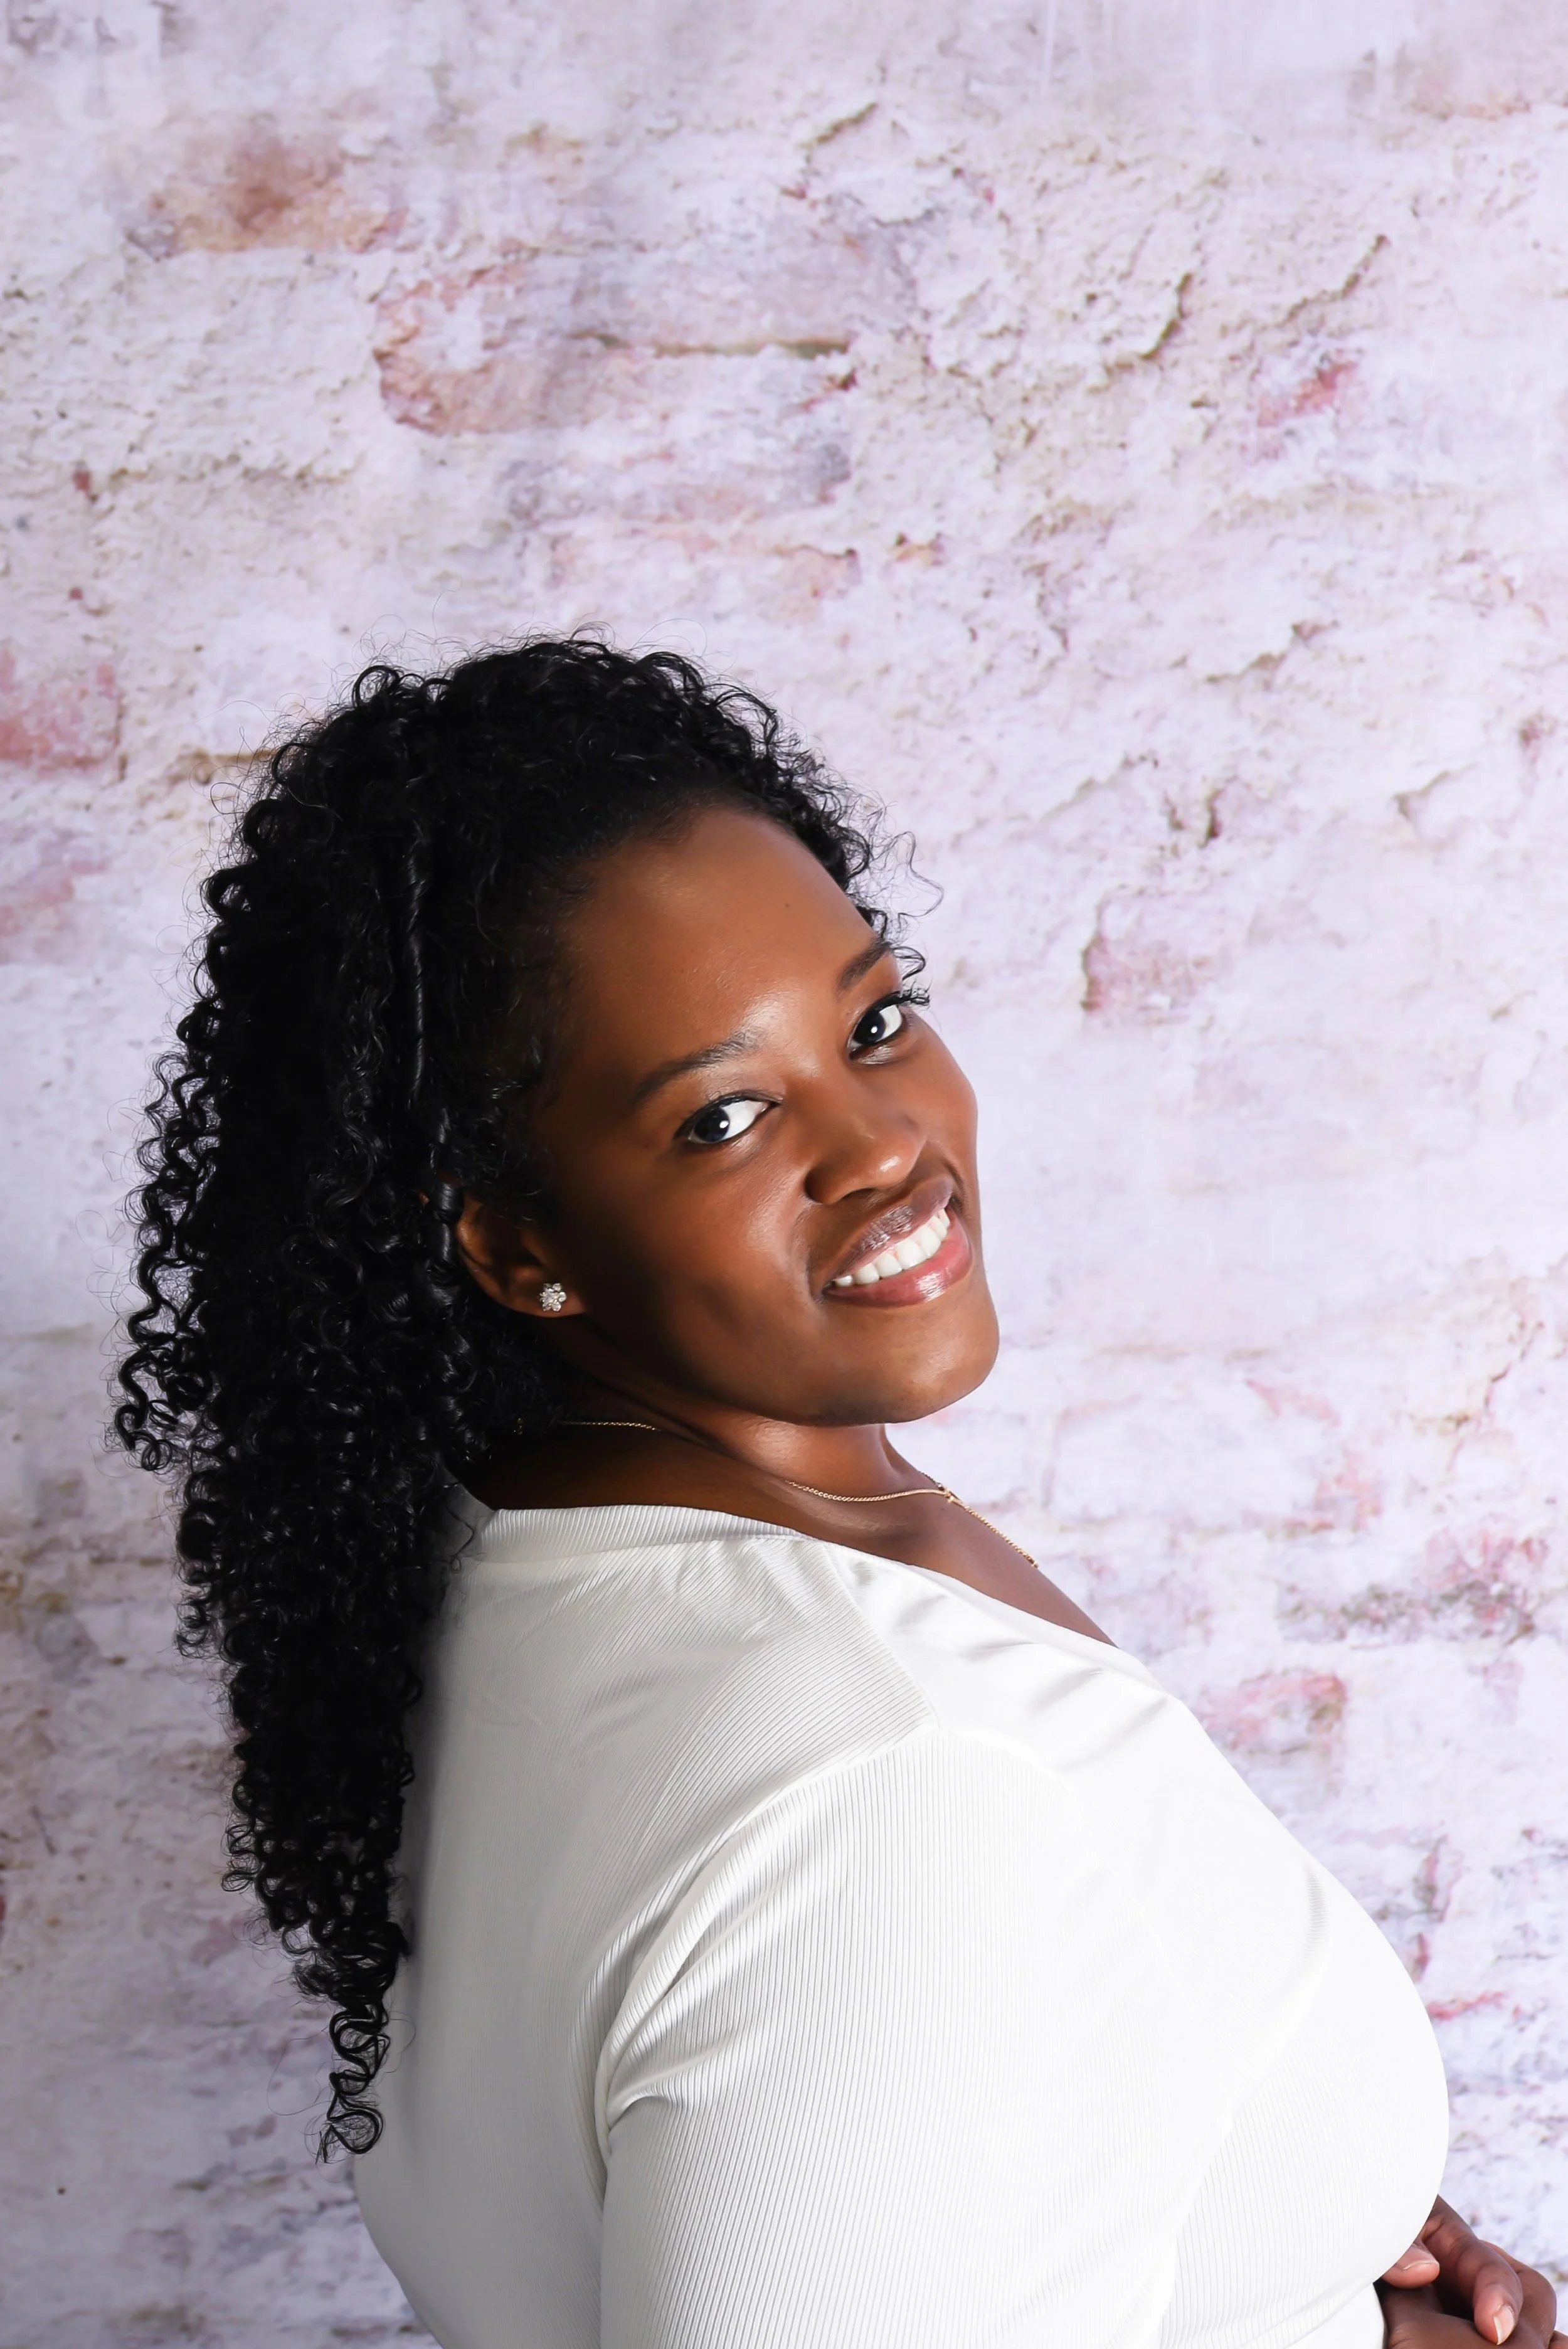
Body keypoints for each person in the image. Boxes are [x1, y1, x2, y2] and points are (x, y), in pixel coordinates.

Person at [117, 639, 1560, 2349]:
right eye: (722, 1116)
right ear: (513, 1243)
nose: (882, 1143)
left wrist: (1280, 2223)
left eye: (874, 1022)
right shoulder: (884, 1783)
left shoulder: (535, 1544)